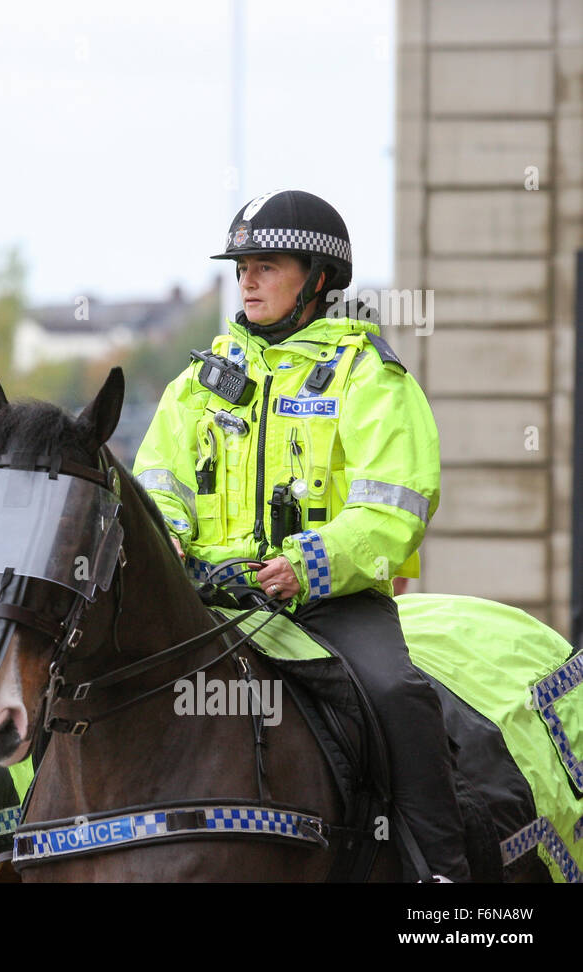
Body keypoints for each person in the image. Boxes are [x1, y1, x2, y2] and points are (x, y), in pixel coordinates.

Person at [132, 189, 469, 882]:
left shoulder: (368, 374)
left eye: (267, 263)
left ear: (317, 277)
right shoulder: (196, 383)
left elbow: (395, 506)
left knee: (399, 695)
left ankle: (442, 877)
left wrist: (307, 565)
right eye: (241, 265)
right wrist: (163, 536)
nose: (247, 278)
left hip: (330, 603)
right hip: (209, 601)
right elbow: (158, 489)